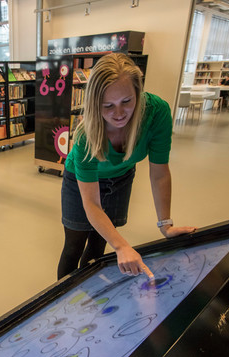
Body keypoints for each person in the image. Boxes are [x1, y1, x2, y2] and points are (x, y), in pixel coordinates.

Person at [57, 53, 196, 281]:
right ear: (94, 105)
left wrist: (166, 225)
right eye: (108, 106)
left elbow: (159, 173)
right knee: (73, 246)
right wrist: (122, 247)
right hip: (79, 182)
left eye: (127, 101)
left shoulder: (157, 112)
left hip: (120, 178)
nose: (119, 114)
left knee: (98, 246)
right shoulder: (85, 135)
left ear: (138, 93)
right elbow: (91, 203)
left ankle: (89, 296)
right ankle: (63, 301)